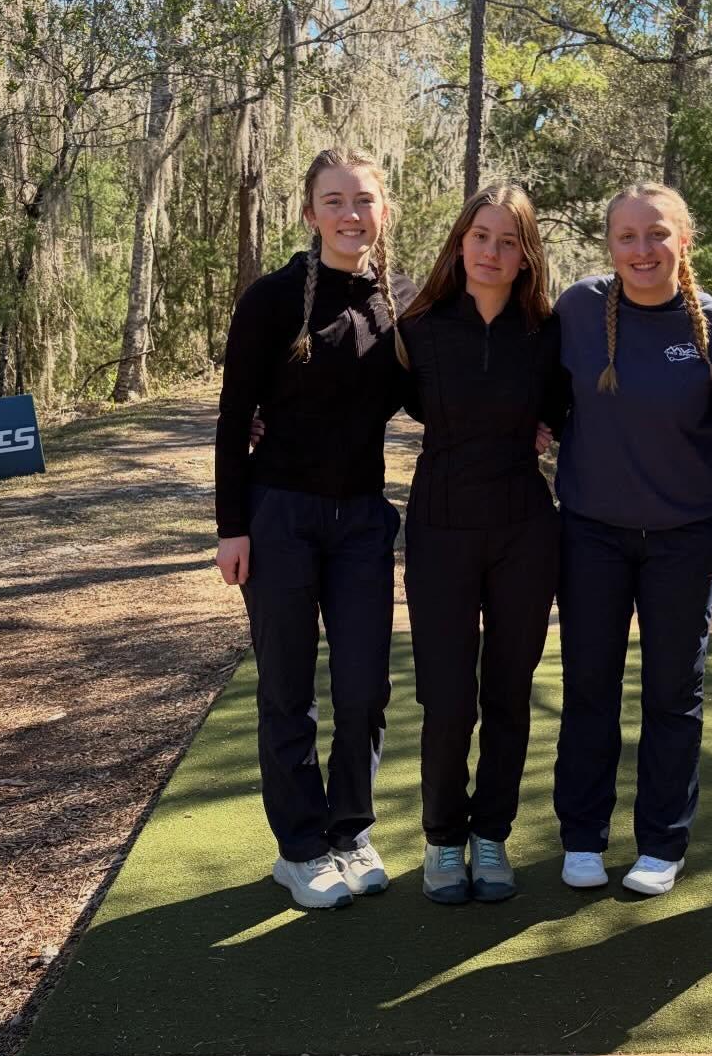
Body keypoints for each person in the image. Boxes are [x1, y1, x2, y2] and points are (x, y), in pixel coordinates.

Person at [214, 149, 414, 910]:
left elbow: (437, 390)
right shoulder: (269, 300)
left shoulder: (401, 302)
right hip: (279, 517)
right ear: (310, 213)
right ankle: (299, 848)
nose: (350, 214)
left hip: (363, 518)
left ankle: (350, 831)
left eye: (364, 200)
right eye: (334, 200)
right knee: (287, 689)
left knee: (364, 686)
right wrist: (233, 527)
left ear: (384, 210)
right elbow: (236, 417)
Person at [550, 183, 712, 897]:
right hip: (590, 534)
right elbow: (528, 387)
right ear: (610, 244)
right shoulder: (577, 308)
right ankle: (583, 836)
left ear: (683, 240)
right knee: (589, 686)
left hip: (682, 541)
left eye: (656, 234)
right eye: (626, 236)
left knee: (672, 693)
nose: (641, 250)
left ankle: (661, 842)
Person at [396, 184, 566, 906]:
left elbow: (576, 407)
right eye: (481, 237)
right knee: (446, 698)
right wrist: (261, 426)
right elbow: (357, 397)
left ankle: (490, 836)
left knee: (508, 691)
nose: (493, 252)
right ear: (459, 243)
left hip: (526, 528)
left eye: (508, 241)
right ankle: (442, 840)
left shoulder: (548, 331)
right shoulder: (420, 326)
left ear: (527, 256)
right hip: (438, 527)